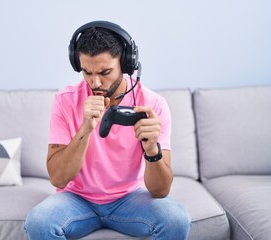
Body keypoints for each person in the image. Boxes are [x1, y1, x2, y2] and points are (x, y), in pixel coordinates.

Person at [25, 20, 191, 240]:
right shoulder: (65, 101)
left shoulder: (154, 105)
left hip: (130, 198)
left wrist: (152, 149)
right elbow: (58, 179)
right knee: (39, 222)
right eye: (86, 72)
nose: (95, 82)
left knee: (176, 220)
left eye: (105, 72)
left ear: (126, 63)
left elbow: (160, 191)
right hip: (77, 199)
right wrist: (86, 127)